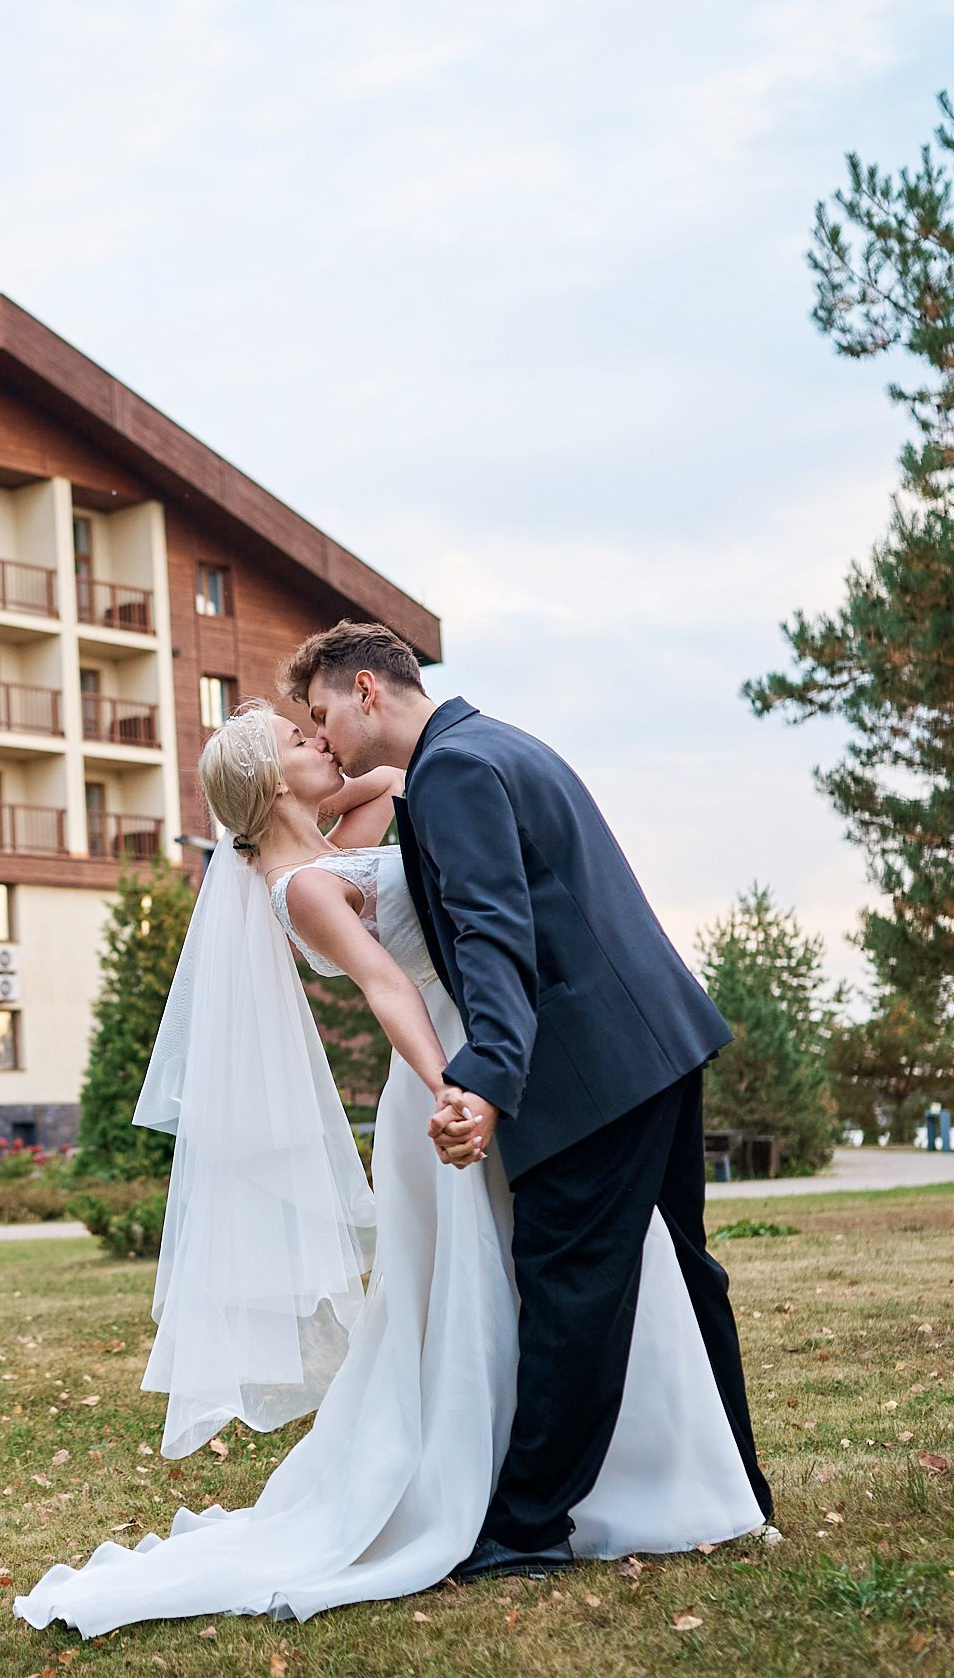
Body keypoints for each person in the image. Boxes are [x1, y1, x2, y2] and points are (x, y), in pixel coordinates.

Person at [14, 676, 766, 1638]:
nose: (319, 742)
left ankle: (571, 1472)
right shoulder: (304, 885)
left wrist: (344, 752)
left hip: (489, 1060)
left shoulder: (343, 836)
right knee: (493, 1284)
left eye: (316, 723)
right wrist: (455, 1085)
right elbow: (386, 987)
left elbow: (397, 776)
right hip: (446, 1075)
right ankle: (503, 1478)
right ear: (270, 782)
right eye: (299, 739)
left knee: (536, 1274)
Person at [293, 622, 772, 1580]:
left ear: (367, 690)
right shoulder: (493, 742)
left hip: (590, 1067)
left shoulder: (452, 772)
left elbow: (494, 935)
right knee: (686, 1275)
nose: (325, 738)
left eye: (322, 713)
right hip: (658, 1040)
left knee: (567, 1283)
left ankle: (527, 1527)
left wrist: (485, 1080)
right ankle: (739, 1491)